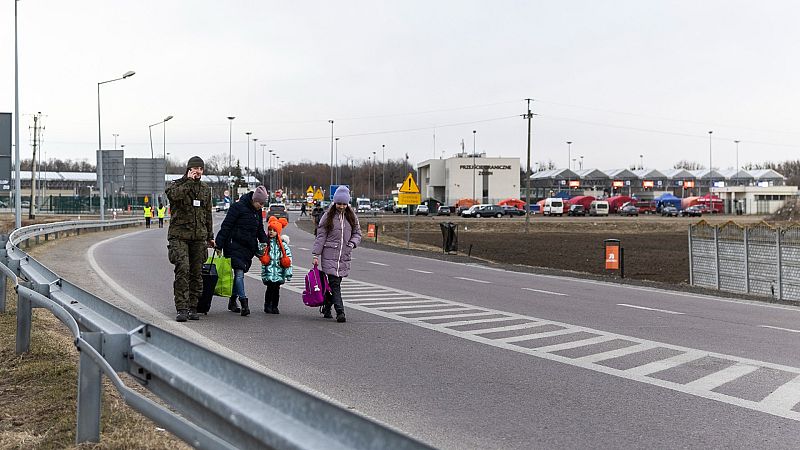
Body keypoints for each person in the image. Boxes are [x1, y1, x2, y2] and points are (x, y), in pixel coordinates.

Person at [165, 156, 215, 322]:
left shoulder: (205, 189)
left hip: (198, 237)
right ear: (188, 169)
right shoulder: (177, 185)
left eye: (200, 169)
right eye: (195, 169)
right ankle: (182, 308)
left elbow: (207, 213)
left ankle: (193, 307)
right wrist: (188, 182)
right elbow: (174, 197)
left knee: (196, 273)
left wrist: (210, 236)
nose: (198, 172)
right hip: (179, 236)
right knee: (183, 269)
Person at [215, 185, 269, 317]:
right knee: (239, 273)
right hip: (233, 245)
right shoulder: (237, 207)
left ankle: (232, 300)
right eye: (260, 203)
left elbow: (259, 229)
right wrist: (219, 244)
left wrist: (266, 242)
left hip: (248, 248)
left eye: (263, 203)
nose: (261, 206)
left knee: (240, 273)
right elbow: (226, 226)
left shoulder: (257, 212)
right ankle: (244, 303)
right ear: (254, 199)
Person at [312, 186, 361, 323]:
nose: (341, 206)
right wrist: (316, 254)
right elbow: (320, 236)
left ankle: (327, 307)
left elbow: (357, 233)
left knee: (334, 285)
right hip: (329, 254)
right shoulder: (328, 216)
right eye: (339, 203)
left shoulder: (352, 216)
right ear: (335, 202)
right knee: (335, 284)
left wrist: (352, 243)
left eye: (344, 204)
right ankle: (340, 312)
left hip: (344, 256)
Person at [259, 216, 293, 314]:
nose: (271, 232)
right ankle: (267, 305)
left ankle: (275, 306)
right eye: (270, 230)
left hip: (279, 271)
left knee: (277, 289)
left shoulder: (283, 245)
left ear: (278, 232)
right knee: (270, 288)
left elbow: (288, 258)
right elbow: (260, 252)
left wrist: (288, 272)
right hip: (268, 270)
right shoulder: (266, 243)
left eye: (274, 230)